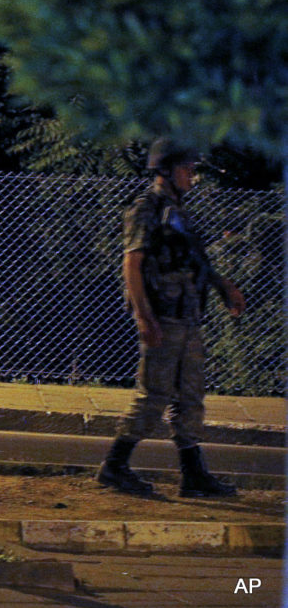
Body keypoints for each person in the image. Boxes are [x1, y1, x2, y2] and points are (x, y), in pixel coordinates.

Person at [96, 137, 245, 498]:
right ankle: (114, 467)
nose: (192, 177)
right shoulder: (146, 207)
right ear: (164, 170)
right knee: (154, 395)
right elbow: (132, 263)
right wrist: (144, 318)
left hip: (188, 315)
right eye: (187, 169)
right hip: (164, 316)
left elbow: (193, 260)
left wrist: (222, 285)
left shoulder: (178, 211)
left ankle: (194, 476)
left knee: (191, 398)